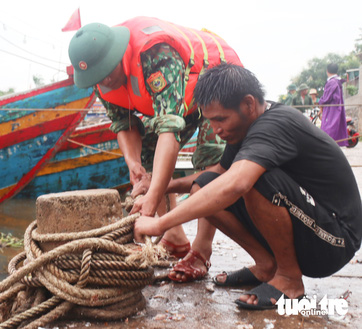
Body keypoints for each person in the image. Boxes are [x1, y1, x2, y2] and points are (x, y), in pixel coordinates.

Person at [134, 63, 362, 310]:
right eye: (211, 121)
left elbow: (237, 182)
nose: (216, 130)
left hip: (335, 240)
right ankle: (267, 266)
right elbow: (220, 173)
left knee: (255, 180)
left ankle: (289, 280)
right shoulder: (246, 126)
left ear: (249, 104)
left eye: (221, 119)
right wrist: (164, 186)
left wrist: (159, 224)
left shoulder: (275, 125)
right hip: (310, 224)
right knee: (203, 186)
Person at [68, 19, 241, 282]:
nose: (103, 81)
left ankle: (201, 249)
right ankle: (174, 237)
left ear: (116, 57)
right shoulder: (99, 77)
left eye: (106, 73)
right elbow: (124, 124)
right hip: (183, 99)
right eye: (97, 77)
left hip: (216, 82)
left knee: (209, 160)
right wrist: (134, 164)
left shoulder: (156, 55)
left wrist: (150, 201)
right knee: (149, 158)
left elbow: (168, 131)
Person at [318, 63, 349, 146]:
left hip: (332, 109)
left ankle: (328, 147)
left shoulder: (332, 82)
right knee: (335, 127)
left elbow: (326, 97)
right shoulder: (337, 81)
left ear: (327, 71)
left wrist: (320, 104)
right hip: (337, 108)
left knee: (328, 128)